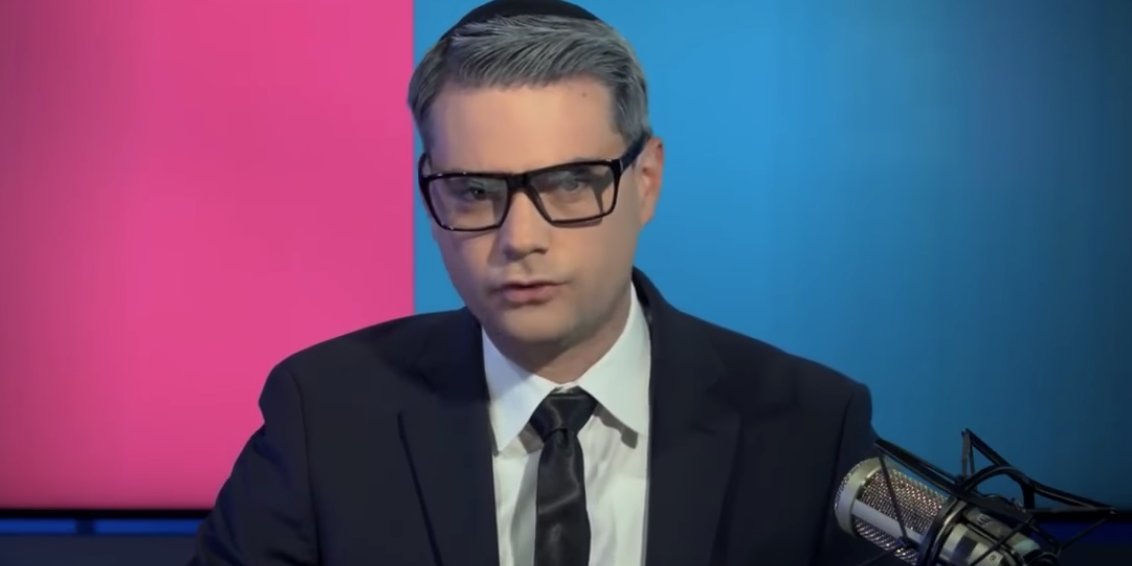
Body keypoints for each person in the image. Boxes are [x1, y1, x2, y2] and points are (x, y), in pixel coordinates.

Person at [189, 1, 902, 565]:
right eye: (474, 191)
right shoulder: (323, 416)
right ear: (430, 200)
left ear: (646, 181)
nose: (520, 237)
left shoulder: (812, 427)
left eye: (568, 183)